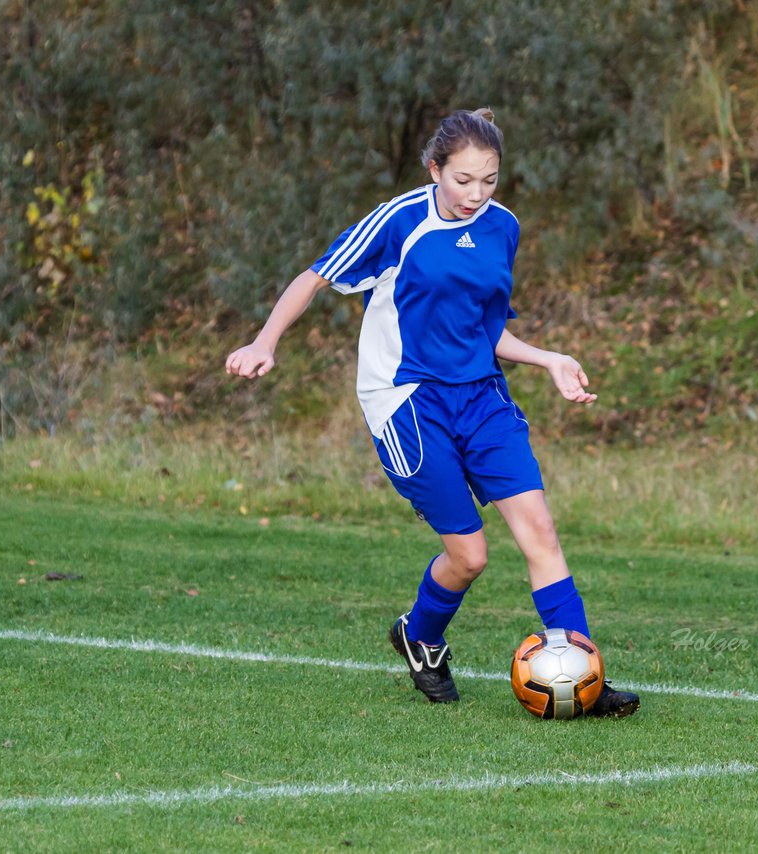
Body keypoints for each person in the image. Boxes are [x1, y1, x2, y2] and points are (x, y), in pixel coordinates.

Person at [225, 108, 640, 717]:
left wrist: (549, 358)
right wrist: (265, 342)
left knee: (541, 535)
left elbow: (486, 330)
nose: (476, 194)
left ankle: (585, 679)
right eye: (463, 180)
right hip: (408, 401)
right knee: (470, 556)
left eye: (489, 180)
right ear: (434, 169)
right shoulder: (400, 221)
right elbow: (314, 278)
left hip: (482, 396)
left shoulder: (503, 228)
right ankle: (420, 637)